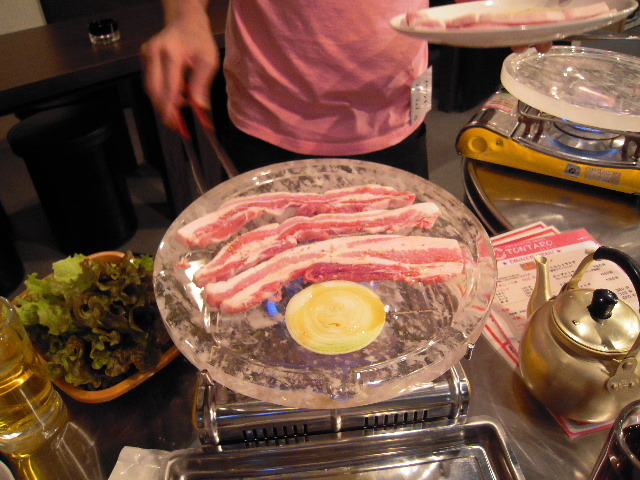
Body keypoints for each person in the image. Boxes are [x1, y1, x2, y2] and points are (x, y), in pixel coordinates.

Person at [141, 1, 549, 178]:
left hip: (392, 110)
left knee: (396, 284)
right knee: (275, 296)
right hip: (272, 109)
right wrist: (184, 14)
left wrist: (508, 11)